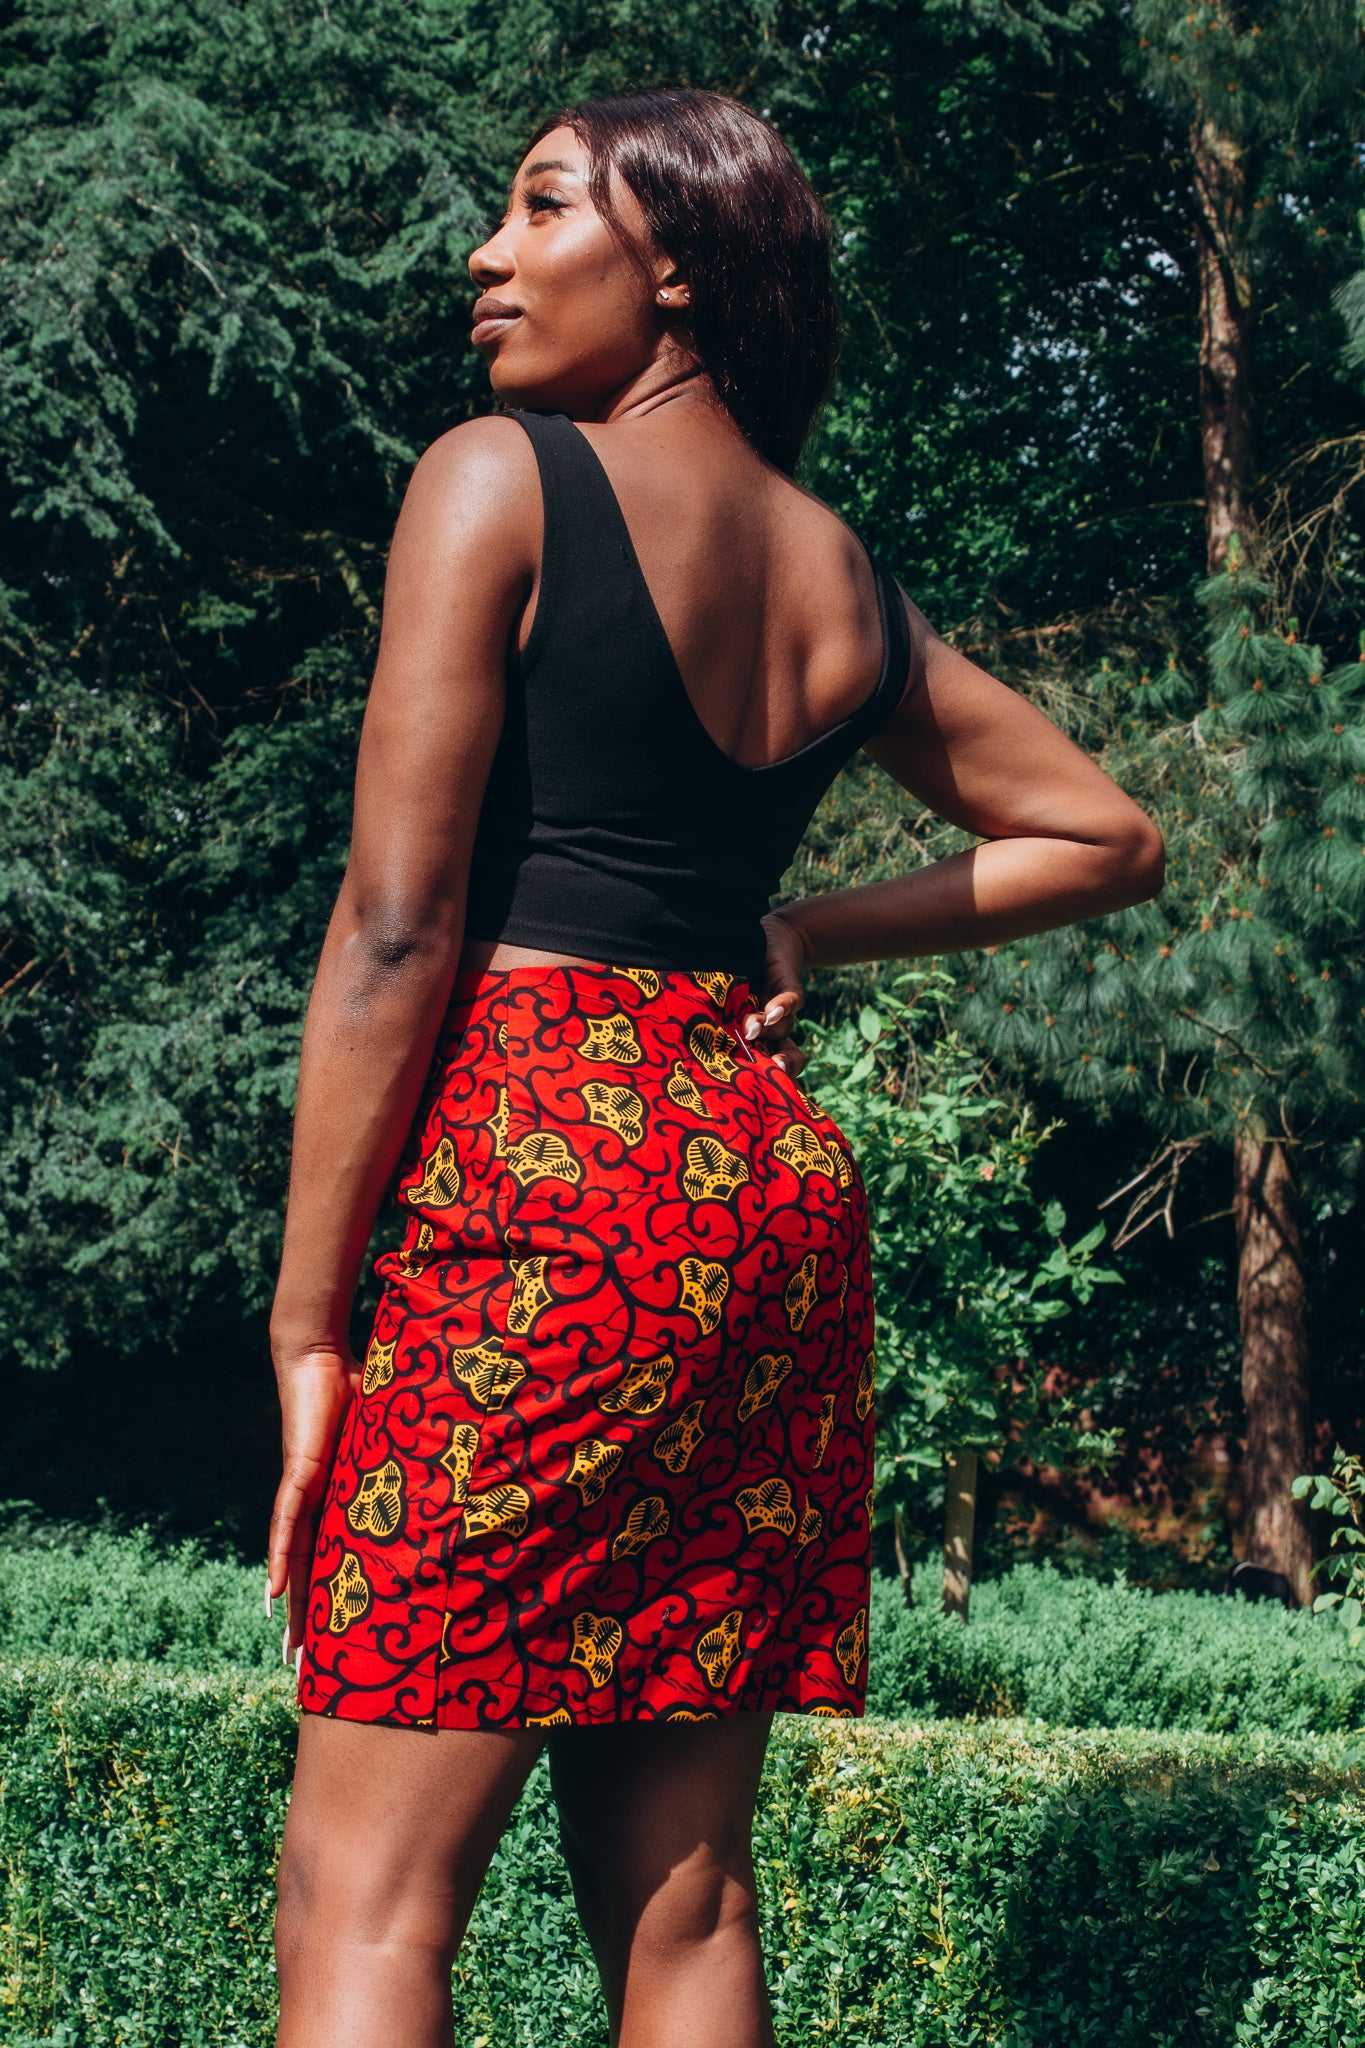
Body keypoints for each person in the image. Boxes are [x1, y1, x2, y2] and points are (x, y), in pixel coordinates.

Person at [264, 86, 1165, 2048]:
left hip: (535, 1168)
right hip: (751, 1189)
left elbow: (397, 931)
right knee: (678, 1903)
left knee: (365, 1893)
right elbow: (1101, 832)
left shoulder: (496, 478)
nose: (482, 259)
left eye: (535, 210)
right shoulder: (834, 570)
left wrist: (305, 1315)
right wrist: (809, 929)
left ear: (670, 261)